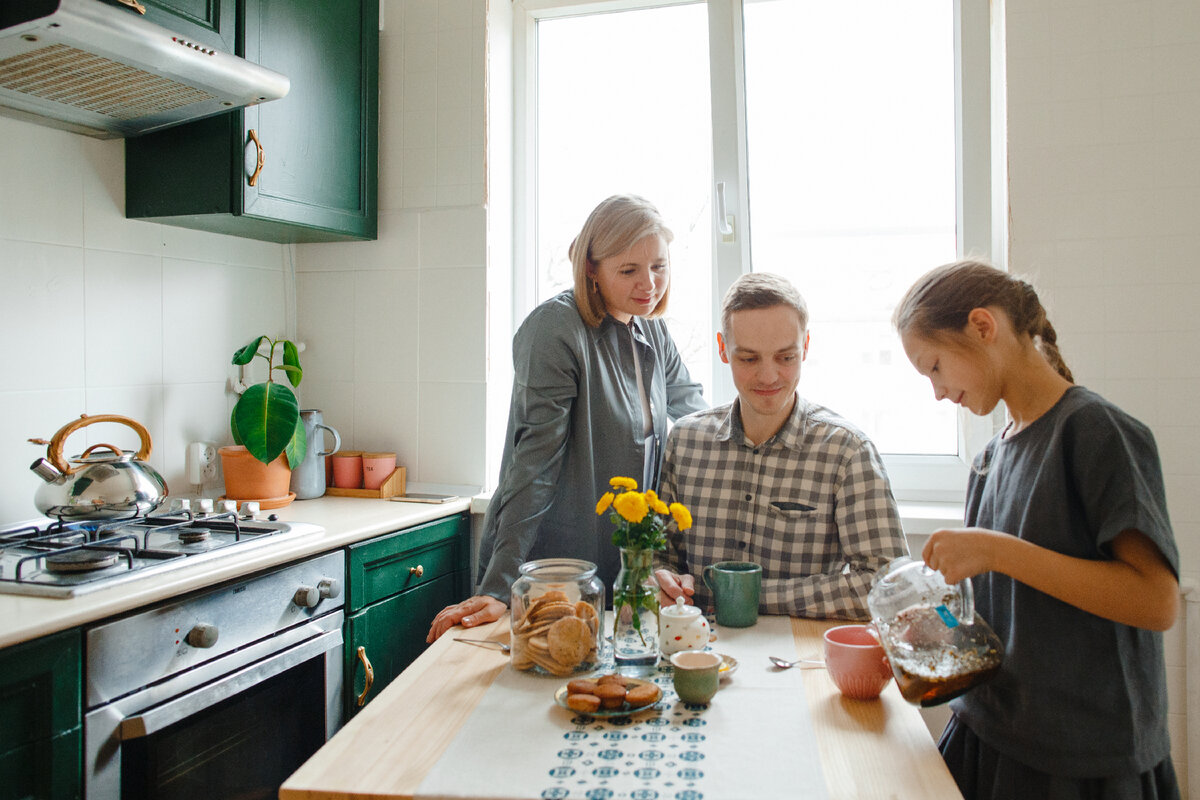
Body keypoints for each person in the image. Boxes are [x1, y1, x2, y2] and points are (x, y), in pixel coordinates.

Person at [893, 259, 1180, 800]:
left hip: (1079, 760)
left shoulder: (1095, 432)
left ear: (983, 326)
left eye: (935, 367)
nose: (937, 392)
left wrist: (997, 551)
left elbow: (1157, 602)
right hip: (991, 734)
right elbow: (1002, 613)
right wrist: (939, 627)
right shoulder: (989, 459)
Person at [426, 195, 706, 642]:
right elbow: (534, 466)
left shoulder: (650, 328)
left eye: (659, 266)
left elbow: (696, 418)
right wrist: (500, 586)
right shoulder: (555, 329)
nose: (649, 284)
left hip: (621, 560)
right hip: (551, 567)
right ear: (591, 268)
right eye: (629, 270)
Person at [654, 272, 906, 620]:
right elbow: (658, 557)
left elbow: (889, 585)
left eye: (786, 358)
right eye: (749, 359)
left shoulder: (847, 452)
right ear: (723, 349)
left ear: (805, 346)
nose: (768, 376)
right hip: (697, 643)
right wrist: (662, 580)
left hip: (800, 648)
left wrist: (747, 594)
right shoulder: (685, 441)